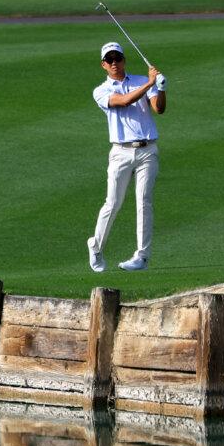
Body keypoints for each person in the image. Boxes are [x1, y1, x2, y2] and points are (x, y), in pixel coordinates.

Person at [87, 42, 167, 273]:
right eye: (109, 59)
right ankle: (96, 246)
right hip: (120, 152)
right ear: (103, 64)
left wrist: (160, 88)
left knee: (144, 201)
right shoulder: (101, 90)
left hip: (147, 150)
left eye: (117, 58)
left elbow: (158, 109)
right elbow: (123, 101)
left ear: (124, 60)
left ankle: (142, 257)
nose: (114, 62)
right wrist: (151, 83)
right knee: (113, 202)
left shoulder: (142, 80)